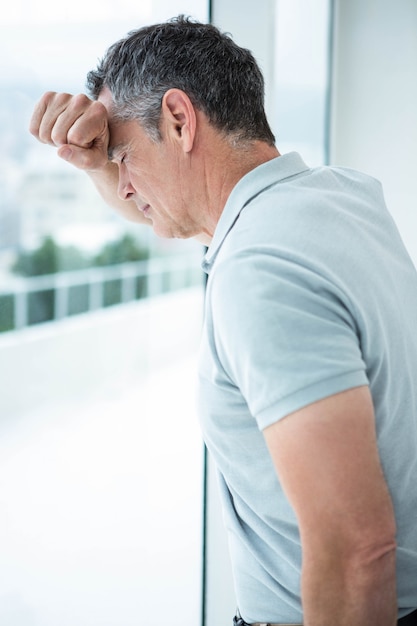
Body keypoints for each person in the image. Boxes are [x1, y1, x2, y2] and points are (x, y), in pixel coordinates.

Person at [29, 15, 417, 626]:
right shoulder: (339, 197)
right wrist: (101, 165)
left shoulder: (261, 269)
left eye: (125, 155)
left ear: (180, 120)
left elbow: (354, 552)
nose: (123, 185)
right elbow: (174, 212)